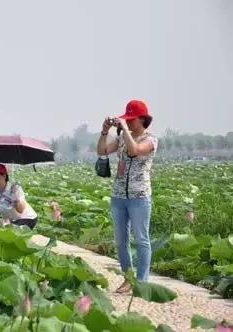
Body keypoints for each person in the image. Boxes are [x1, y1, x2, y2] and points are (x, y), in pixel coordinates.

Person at [97, 99, 157, 292]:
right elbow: (102, 151)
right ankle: (128, 278)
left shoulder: (151, 139)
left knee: (141, 239)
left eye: (131, 119)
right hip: (118, 196)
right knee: (121, 241)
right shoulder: (123, 138)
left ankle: (142, 282)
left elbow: (136, 150)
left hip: (140, 197)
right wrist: (105, 131)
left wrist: (124, 129)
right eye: (126, 119)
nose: (128, 122)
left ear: (142, 119)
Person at [0, 163, 38, 229]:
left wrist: (16, 197)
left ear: (4, 176)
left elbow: (21, 210)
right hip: (12, 221)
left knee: (8, 229)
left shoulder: (15, 188)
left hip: (28, 218)